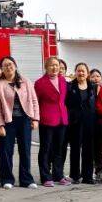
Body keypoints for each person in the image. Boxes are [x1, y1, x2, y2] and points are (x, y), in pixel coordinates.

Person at [0, 55, 39, 189]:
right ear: (1, 69)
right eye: (5, 65)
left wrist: (35, 118)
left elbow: (34, 101)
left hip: (25, 120)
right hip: (8, 121)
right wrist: (0, 125)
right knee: (6, 151)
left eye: (10, 64)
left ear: (15, 66)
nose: (8, 67)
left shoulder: (26, 81)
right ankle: (6, 179)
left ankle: (26, 180)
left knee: (25, 150)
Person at [34, 56, 69, 187]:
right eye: (52, 65)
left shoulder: (62, 80)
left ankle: (58, 175)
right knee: (45, 149)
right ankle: (45, 176)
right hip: (47, 119)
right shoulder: (39, 83)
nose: (55, 68)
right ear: (46, 67)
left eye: (57, 65)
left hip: (62, 118)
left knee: (59, 149)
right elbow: (36, 102)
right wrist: (35, 118)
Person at [65, 62, 96, 184]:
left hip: (89, 121)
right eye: (79, 70)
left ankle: (88, 175)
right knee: (75, 148)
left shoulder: (92, 86)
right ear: (75, 72)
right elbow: (66, 103)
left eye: (83, 71)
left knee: (89, 149)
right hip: (75, 122)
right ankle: (75, 175)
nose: (81, 73)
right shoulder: (70, 86)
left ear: (87, 73)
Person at [88, 68, 102, 180]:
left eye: (98, 76)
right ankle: (89, 171)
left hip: (101, 123)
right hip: (89, 122)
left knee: (99, 148)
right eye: (93, 76)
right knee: (89, 148)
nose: (95, 78)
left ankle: (99, 170)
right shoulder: (87, 88)